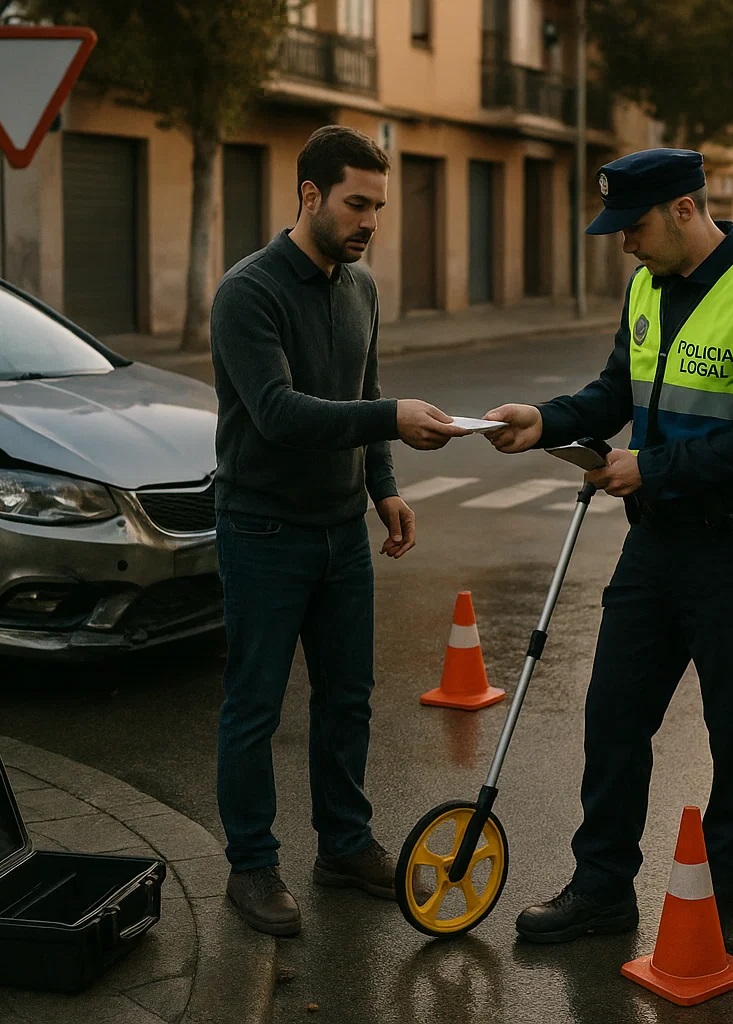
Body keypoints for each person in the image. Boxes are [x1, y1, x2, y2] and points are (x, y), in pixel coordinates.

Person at [483, 148, 733, 954]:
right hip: (657, 546)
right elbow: (615, 393)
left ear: (683, 209)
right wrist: (545, 419)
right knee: (614, 717)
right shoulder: (644, 287)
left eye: (633, 226)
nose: (624, 243)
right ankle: (601, 888)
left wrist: (653, 468)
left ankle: (728, 898)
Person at [210, 125, 470, 937]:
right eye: (356, 204)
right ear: (310, 195)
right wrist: (390, 418)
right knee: (254, 708)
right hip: (261, 529)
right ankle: (251, 867)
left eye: (379, 207)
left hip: (338, 531)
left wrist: (383, 484)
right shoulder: (248, 292)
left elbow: (364, 381)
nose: (369, 222)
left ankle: (344, 846)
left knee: (347, 702)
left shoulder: (359, 288)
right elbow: (280, 414)